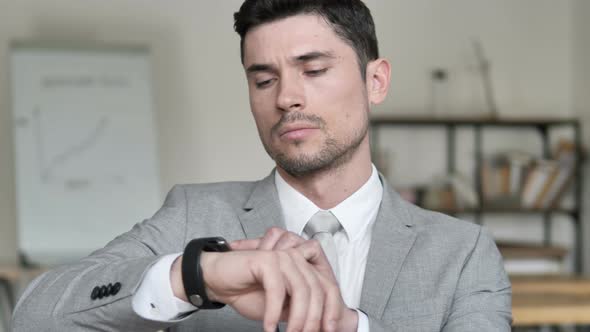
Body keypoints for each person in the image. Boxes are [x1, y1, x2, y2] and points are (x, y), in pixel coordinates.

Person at [11, 0, 512, 331]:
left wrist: (345, 325)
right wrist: (196, 275)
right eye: (263, 80)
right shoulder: (193, 216)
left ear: (376, 81)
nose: (287, 97)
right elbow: (34, 316)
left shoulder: (463, 252)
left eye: (313, 70)